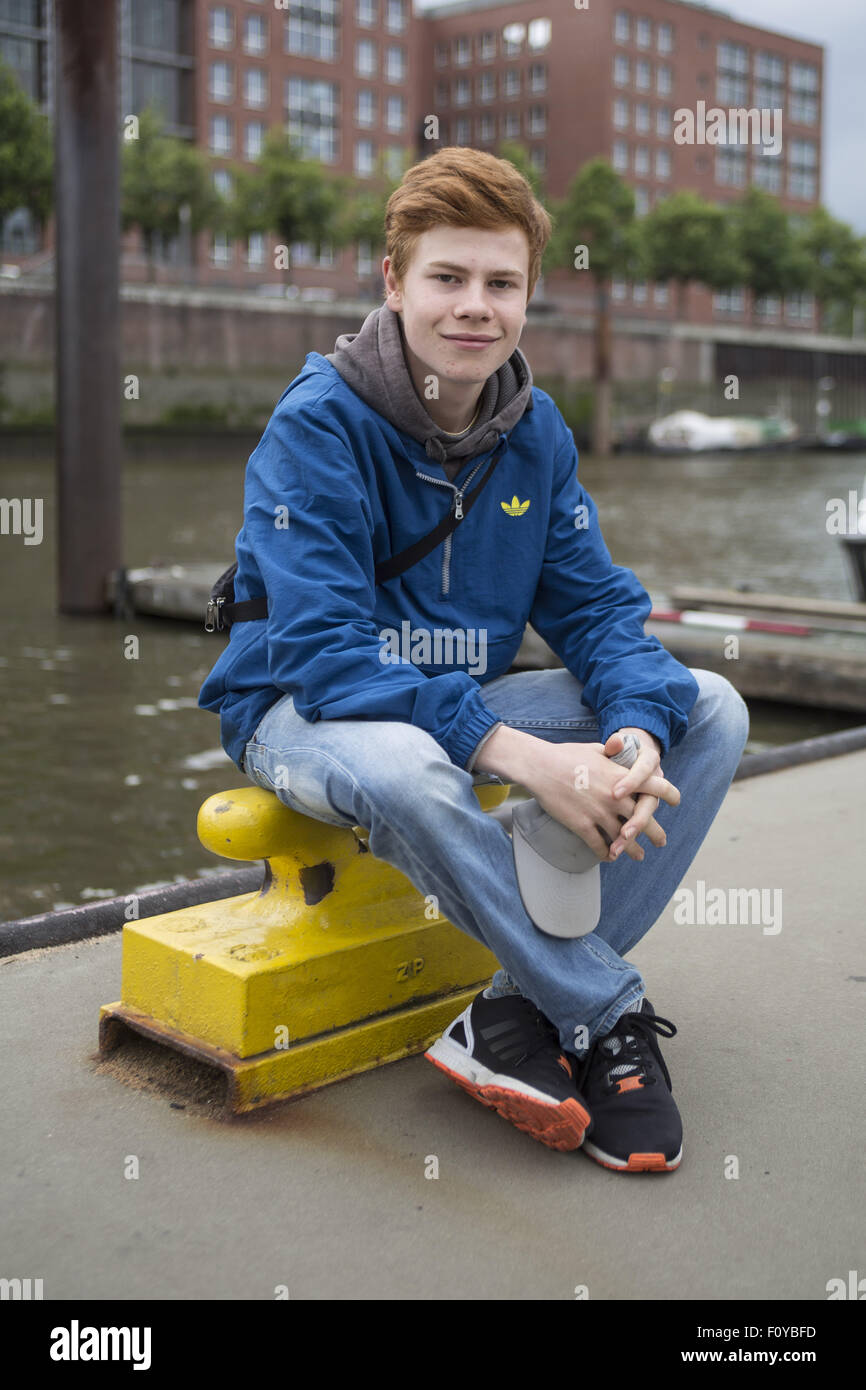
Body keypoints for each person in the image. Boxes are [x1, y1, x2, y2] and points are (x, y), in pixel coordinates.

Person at [198, 147, 749, 1173]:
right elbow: (320, 655)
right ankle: (599, 1009)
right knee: (406, 764)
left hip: (456, 698)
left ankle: (505, 1010)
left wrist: (629, 727)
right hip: (296, 709)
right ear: (392, 282)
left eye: (500, 283)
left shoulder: (533, 432)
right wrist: (523, 756)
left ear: (528, 295)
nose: (473, 307)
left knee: (707, 705)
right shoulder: (314, 427)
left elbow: (594, 609)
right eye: (446, 278)